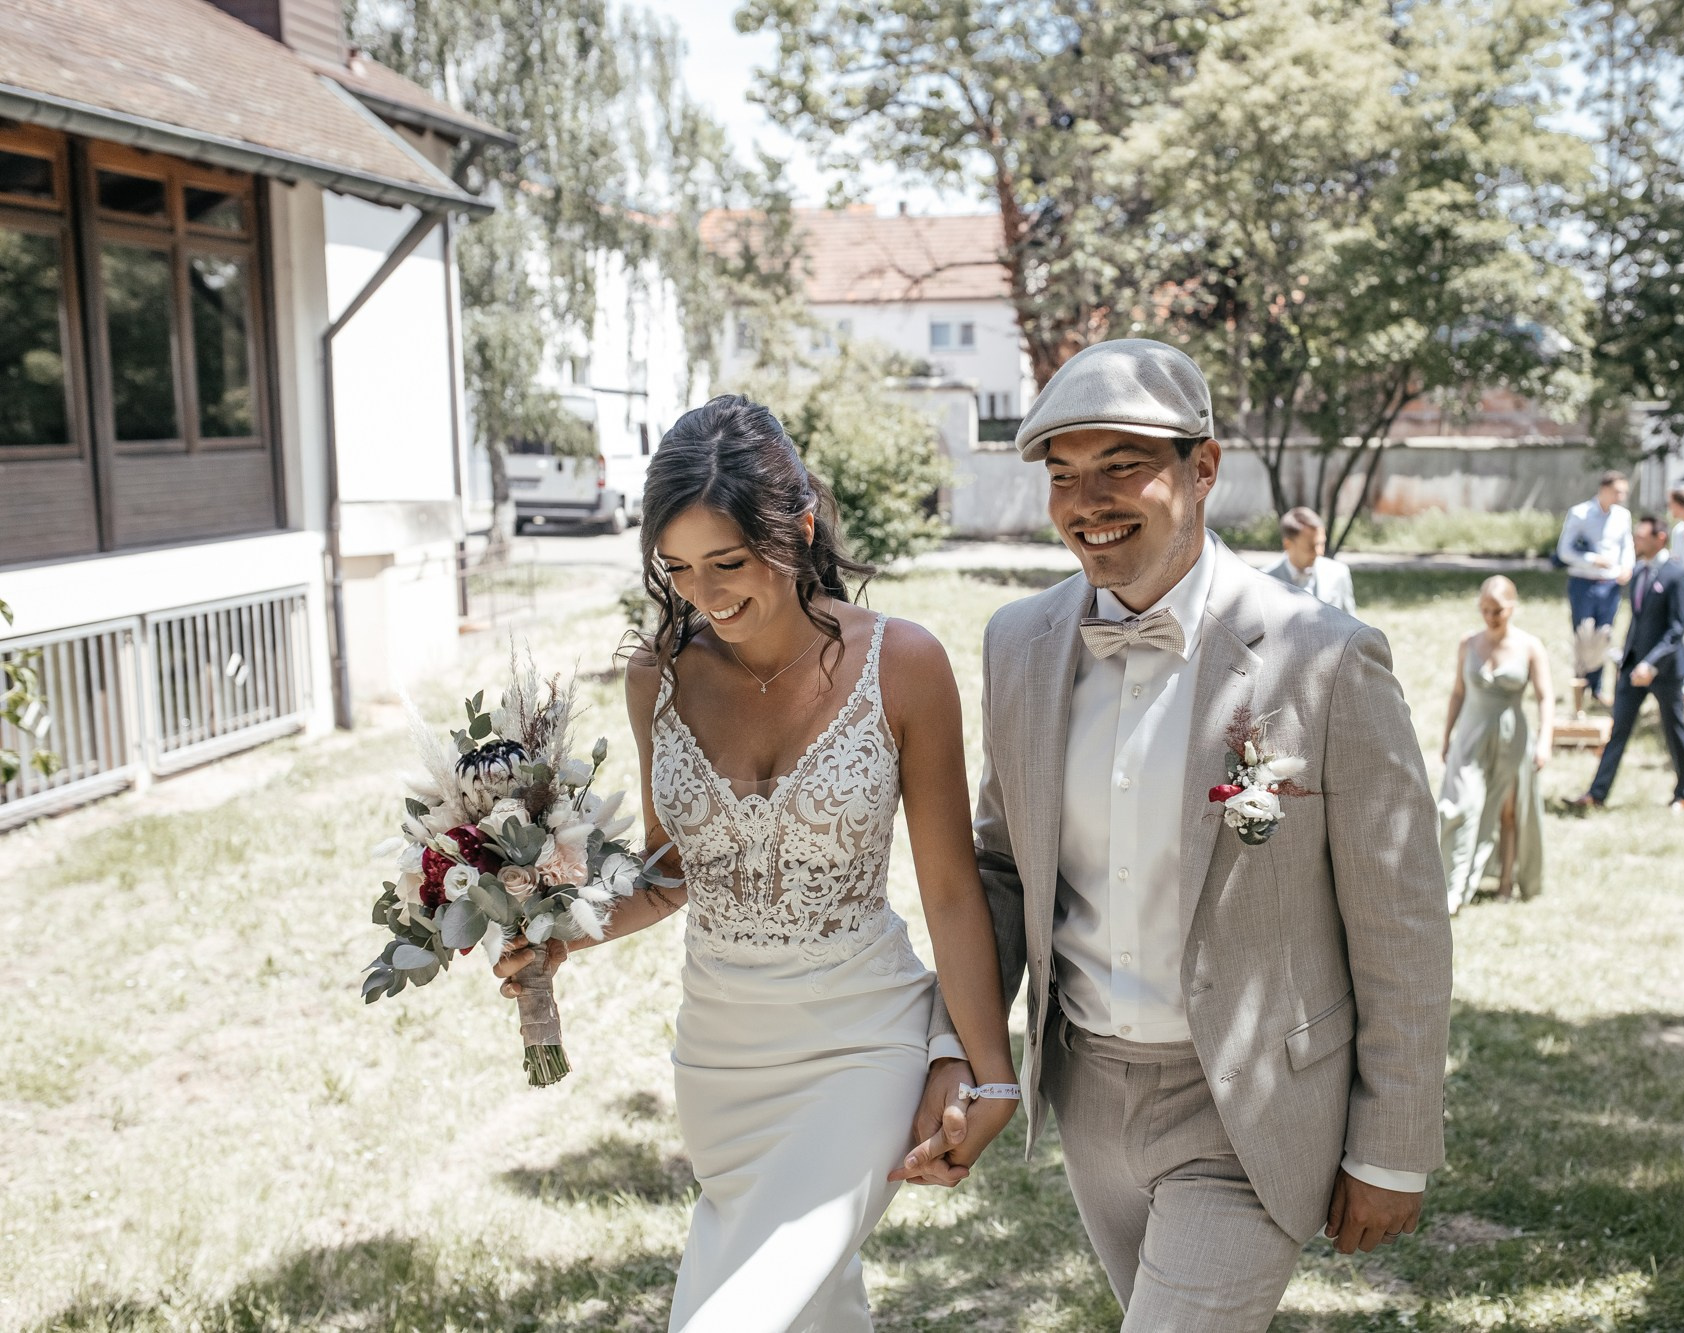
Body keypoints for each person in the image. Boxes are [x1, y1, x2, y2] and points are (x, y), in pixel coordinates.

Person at [916, 339, 1451, 1328]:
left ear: (1203, 467)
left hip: (1250, 1108)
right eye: (1063, 475)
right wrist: (961, 1047)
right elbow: (1002, 865)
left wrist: (1394, 1144)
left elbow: (1401, 913)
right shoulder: (1017, 643)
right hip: (1087, 1098)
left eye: (1121, 466)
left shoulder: (1325, 659)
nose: (1088, 502)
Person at [496, 396, 1020, 1332]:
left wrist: (988, 1069)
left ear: (799, 527)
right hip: (722, 1061)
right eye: (678, 568)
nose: (704, 593)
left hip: (863, 1044)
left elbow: (949, 889)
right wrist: (565, 929)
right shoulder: (659, 674)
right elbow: (669, 874)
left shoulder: (903, 663)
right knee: (813, 1312)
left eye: (728, 562)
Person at [1437, 576, 1552, 913]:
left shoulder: (1530, 646)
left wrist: (1545, 741)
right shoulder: (1468, 642)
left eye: (1497, 610)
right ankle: (1454, 886)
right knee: (1461, 805)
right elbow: (1458, 692)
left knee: (1507, 810)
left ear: (1512, 608)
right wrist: (1446, 736)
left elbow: (1545, 697)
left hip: (1510, 738)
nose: (1490, 617)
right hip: (1471, 736)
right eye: (1485, 610)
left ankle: (1505, 881)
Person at [1567, 515, 1684, 811]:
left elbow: (1676, 629)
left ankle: (1683, 794)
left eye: (1641, 537)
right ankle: (1597, 794)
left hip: (1664, 669)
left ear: (1660, 538)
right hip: (1632, 667)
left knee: (1674, 730)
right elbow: (1637, 622)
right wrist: (1626, 660)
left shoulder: (1678, 575)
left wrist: (1651, 664)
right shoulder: (1638, 572)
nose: (1636, 542)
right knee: (1618, 731)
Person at [1558, 471, 1635, 700]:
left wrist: (1627, 568)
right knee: (1583, 635)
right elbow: (1565, 550)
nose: (1621, 497)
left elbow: (1627, 545)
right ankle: (1580, 685)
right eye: (1617, 491)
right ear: (1604, 489)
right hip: (1584, 582)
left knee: (1604, 635)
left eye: (1624, 492)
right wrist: (1592, 559)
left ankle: (1597, 687)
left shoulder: (1622, 516)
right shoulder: (1580, 513)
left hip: (1610, 584)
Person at [1263, 504, 1356, 613]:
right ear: (1288, 544)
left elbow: (1350, 618)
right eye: (1311, 546)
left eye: (1322, 544)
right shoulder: (1265, 580)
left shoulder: (1339, 573)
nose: (1319, 552)